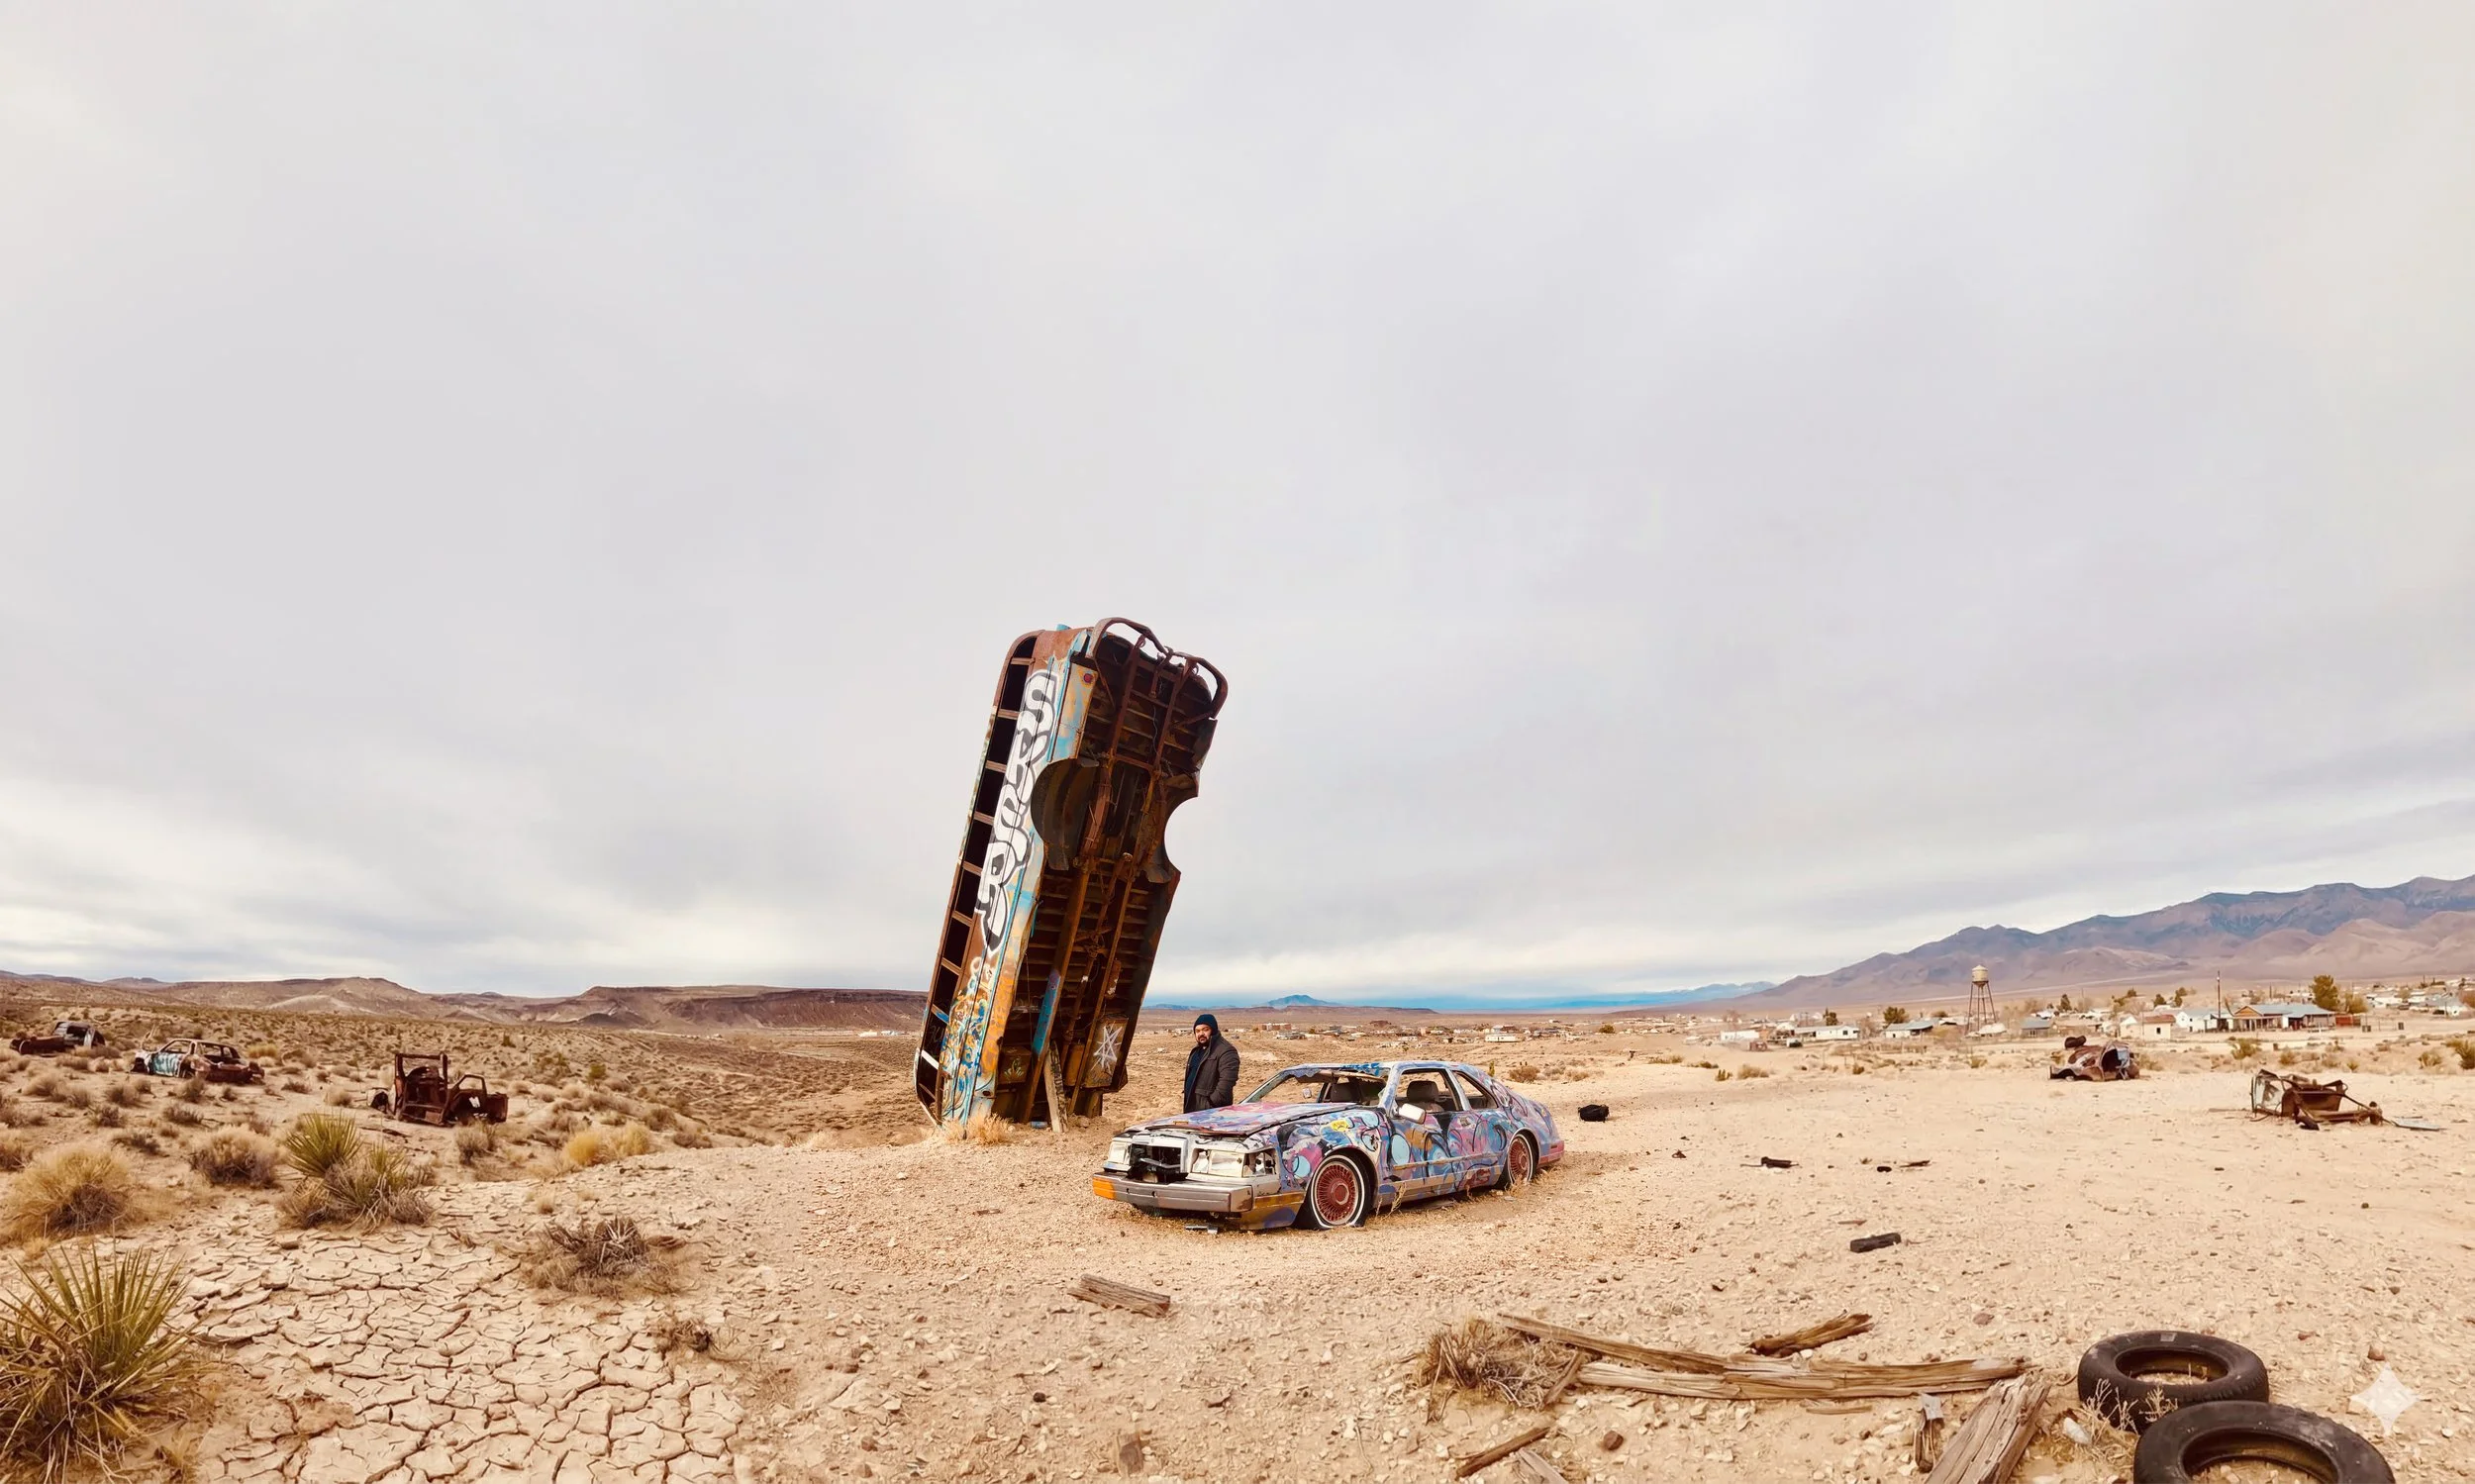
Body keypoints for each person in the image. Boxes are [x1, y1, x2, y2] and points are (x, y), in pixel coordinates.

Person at [1183, 1013, 1240, 1113]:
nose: (1201, 1033)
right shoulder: (1196, 1051)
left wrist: (1211, 1104)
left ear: (1213, 1030)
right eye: (1197, 1031)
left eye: (1205, 1030)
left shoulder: (1226, 1050)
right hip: (1193, 1108)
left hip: (1212, 1112)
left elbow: (1227, 1082)